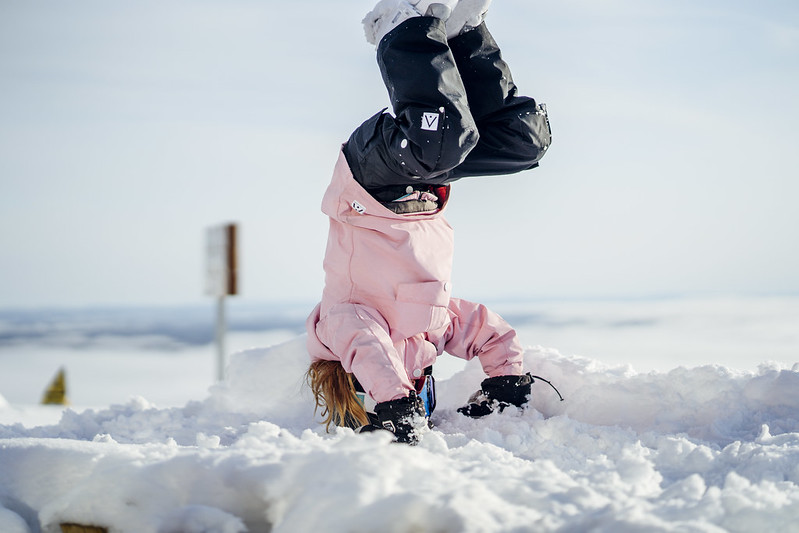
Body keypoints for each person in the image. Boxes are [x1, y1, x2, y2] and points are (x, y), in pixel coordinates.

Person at [305, 0, 552, 444]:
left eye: (415, 400)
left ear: (358, 392)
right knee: (523, 142)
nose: (420, 396)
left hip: (367, 185)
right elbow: (487, 330)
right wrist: (505, 381)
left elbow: (371, 352)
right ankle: (463, 36)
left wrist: (395, 406)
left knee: (437, 143)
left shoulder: (339, 329)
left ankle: (400, 25)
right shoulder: (429, 333)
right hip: (417, 187)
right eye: (422, 399)